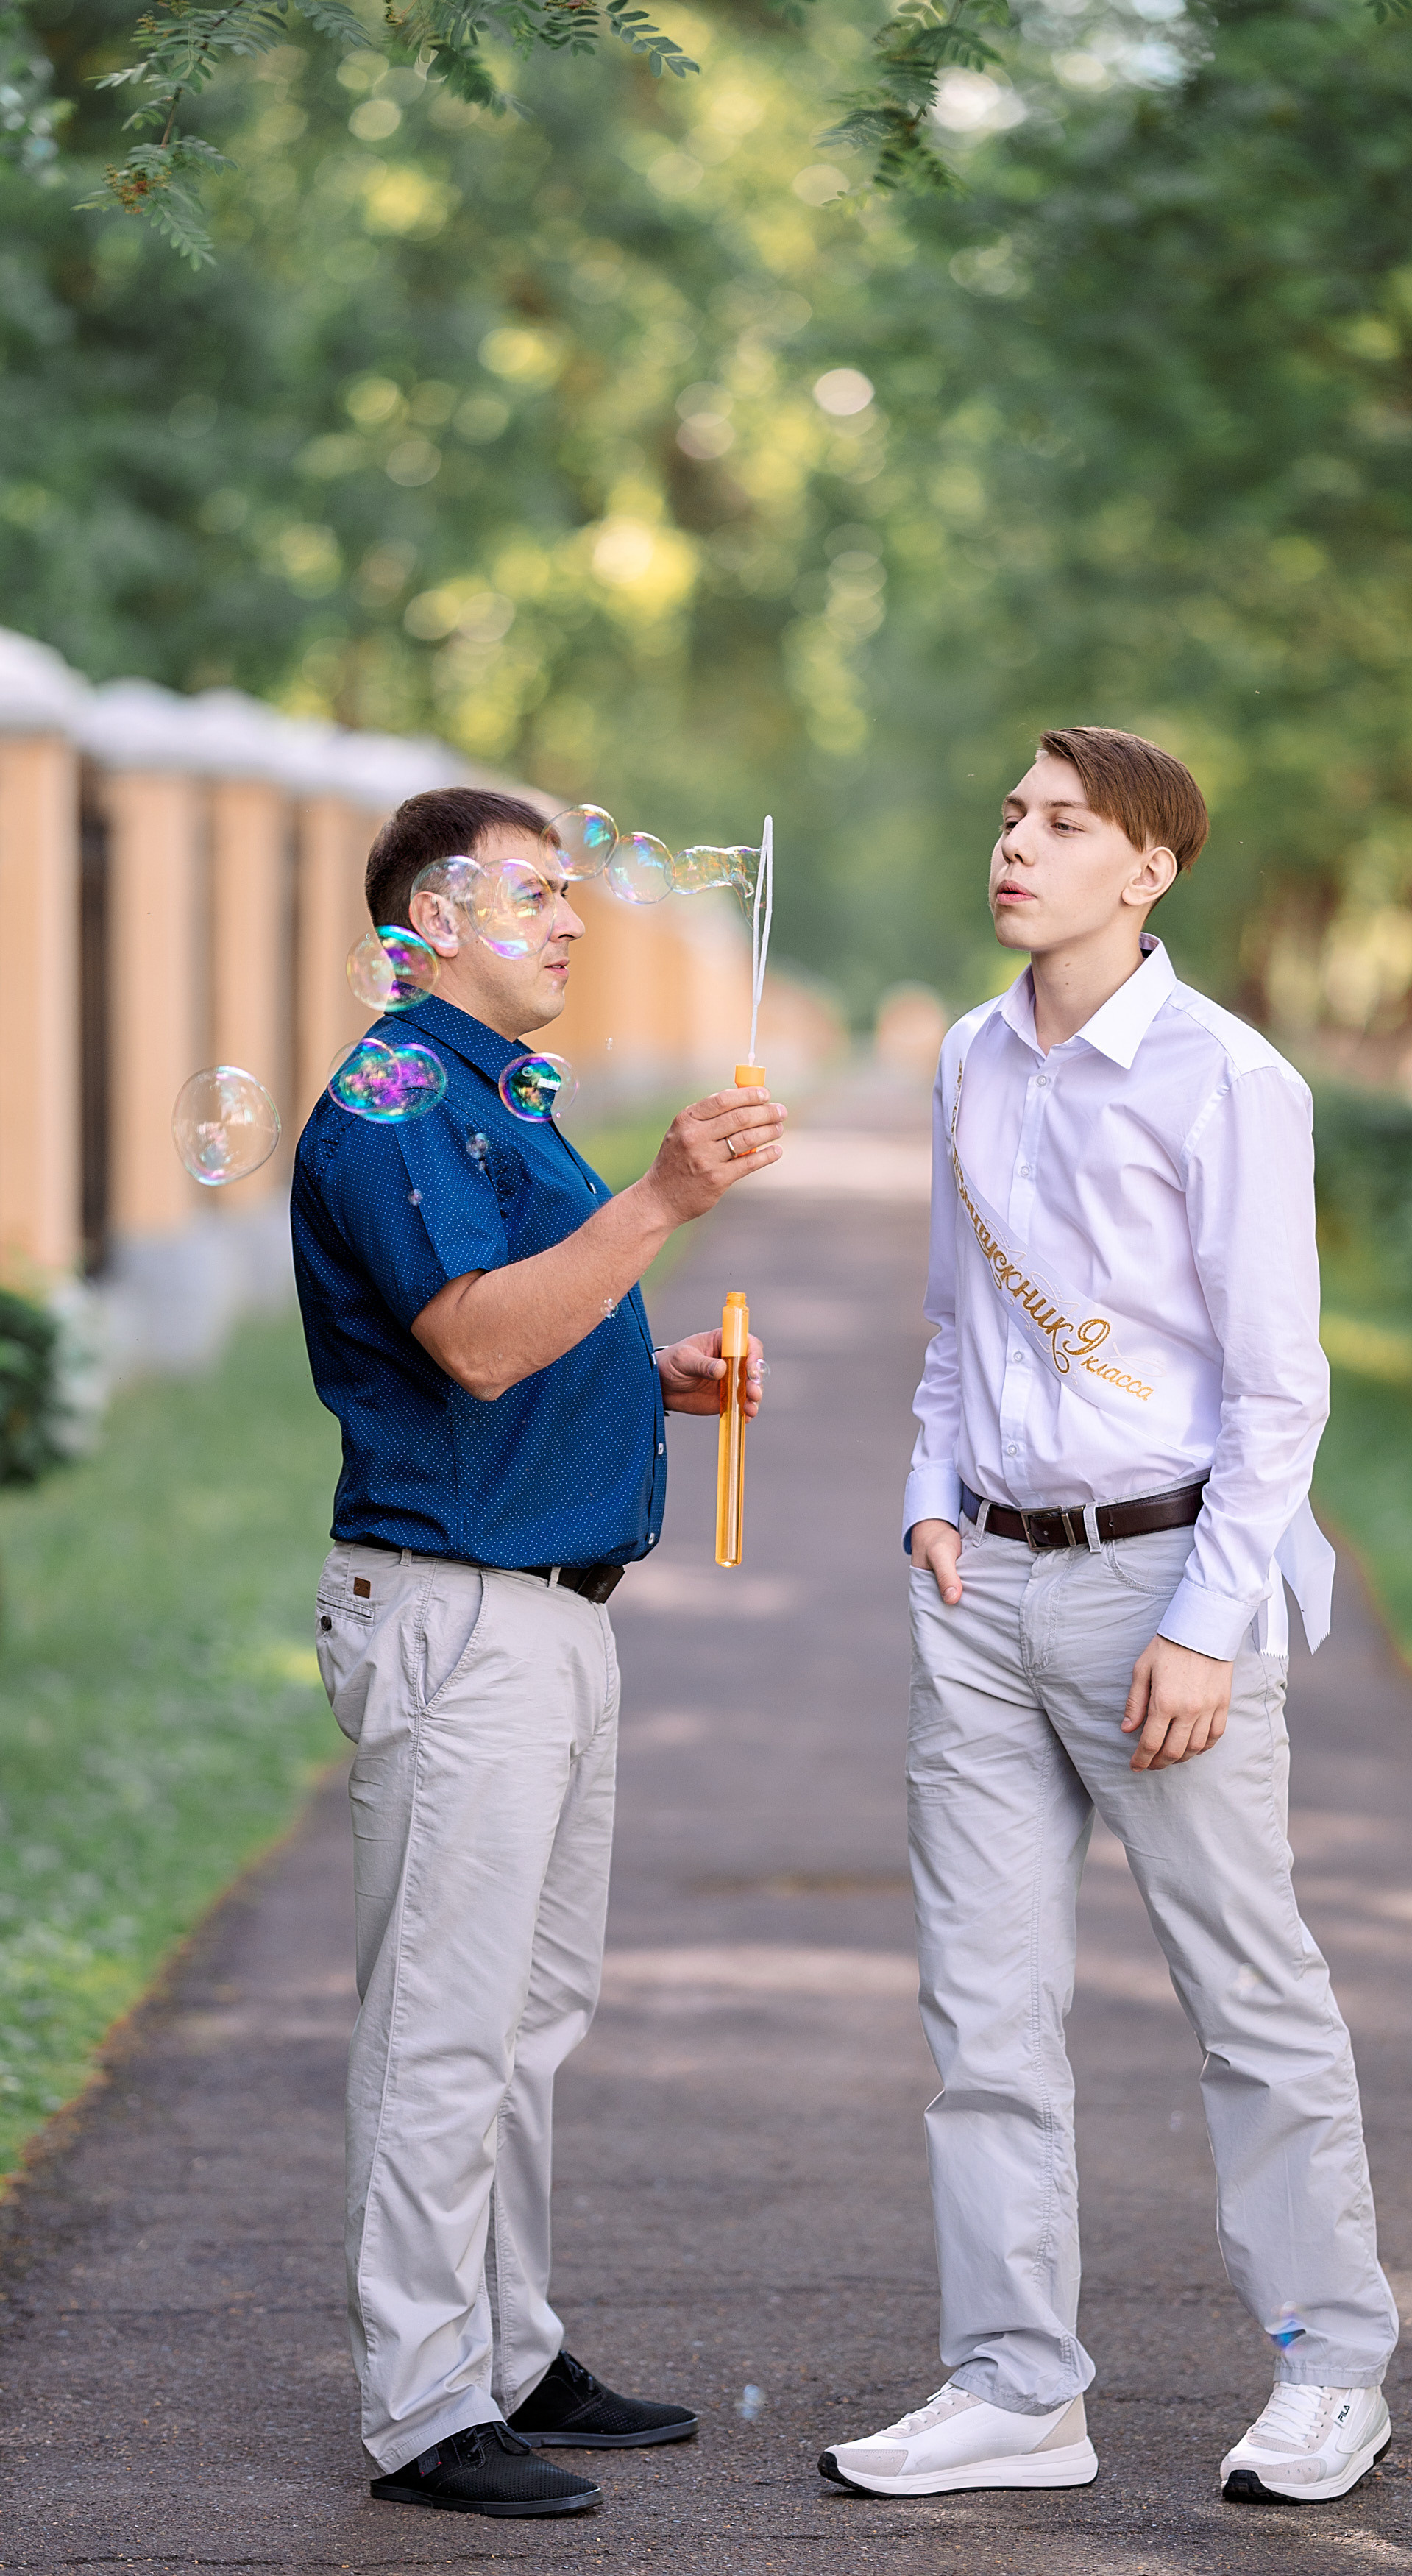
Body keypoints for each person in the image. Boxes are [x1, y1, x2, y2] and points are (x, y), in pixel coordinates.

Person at [818, 727, 1397, 2508]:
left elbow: (1278, 1393)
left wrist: (1209, 1621)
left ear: (1145, 870)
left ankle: (1331, 2367)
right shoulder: (971, 1058)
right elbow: (951, 1328)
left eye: (1062, 824)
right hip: (981, 1587)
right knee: (982, 2015)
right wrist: (929, 1500)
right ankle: (1015, 2386)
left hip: (1164, 1580)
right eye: (1009, 813)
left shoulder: (1228, 1079)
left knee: (1247, 1993)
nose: (1017, 843)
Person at [292, 785, 786, 2520]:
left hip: (552, 1616)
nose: (571, 920)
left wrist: (652, 1374)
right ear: (422, 925)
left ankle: (507, 2347)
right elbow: (481, 1345)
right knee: (442, 2023)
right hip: (461, 1618)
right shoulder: (398, 1095)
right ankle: (423, 2404)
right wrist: (660, 1202)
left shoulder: (502, 1099)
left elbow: (540, 1317)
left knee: (523, 2019)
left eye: (573, 892)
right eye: (529, 894)